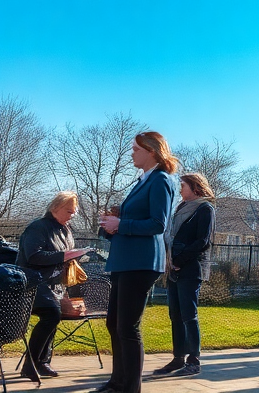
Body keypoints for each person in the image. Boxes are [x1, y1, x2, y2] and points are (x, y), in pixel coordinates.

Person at [95, 131, 178, 393]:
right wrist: (111, 225)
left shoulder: (161, 180)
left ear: (151, 151)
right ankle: (117, 382)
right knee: (114, 324)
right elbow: (133, 220)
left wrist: (122, 224)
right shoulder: (143, 180)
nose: (132, 153)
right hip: (124, 261)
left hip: (141, 263)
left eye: (135, 149)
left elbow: (158, 223)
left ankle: (130, 387)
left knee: (128, 327)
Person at [17, 192, 90, 381]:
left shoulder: (65, 229)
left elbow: (66, 254)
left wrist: (78, 256)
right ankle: (31, 363)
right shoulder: (38, 227)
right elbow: (33, 256)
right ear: (54, 208)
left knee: (54, 315)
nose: (72, 215)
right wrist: (65, 256)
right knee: (52, 314)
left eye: (74, 212)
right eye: (68, 211)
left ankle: (43, 361)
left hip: (54, 284)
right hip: (33, 282)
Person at [154, 173, 216, 378]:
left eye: (183, 185)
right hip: (174, 268)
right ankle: (178, 357)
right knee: (175, 315)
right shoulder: (179, 208)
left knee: (189, 315)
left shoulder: (205, 209)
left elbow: (203, 242)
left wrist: (180, 260)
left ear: (195, 187)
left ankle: (193, 360)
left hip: (190, 269)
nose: (180, 189)